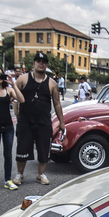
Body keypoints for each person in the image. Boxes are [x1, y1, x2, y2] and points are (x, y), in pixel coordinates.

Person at [13, 52, 65, 185]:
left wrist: (62, 122)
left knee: (43, 148)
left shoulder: (52, 84)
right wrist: (17, 114)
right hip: (26, 120)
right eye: (38, 61)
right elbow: (15, 98)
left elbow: (57, 103)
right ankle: (19, 174)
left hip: (43, 121)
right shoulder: (23, 79)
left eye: (43, 62)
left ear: (46, 65)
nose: (41, 63)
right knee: (22, 148)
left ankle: (40, 174)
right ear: (34, 63)